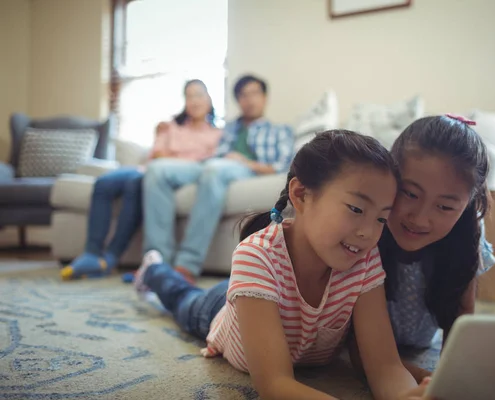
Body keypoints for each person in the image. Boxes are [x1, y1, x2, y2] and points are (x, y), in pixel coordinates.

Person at [133, 130, 434, 400]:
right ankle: (154, 269)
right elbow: (275, 384)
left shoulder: (364, 257)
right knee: (181, 297)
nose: (368, 232)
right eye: (356, 209)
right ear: (301, 195)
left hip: (261, 290)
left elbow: (384, 365)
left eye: (381, 217)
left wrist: (407, 395)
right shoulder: (255, 256)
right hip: (217, 311)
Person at [348, 114, 495, 383]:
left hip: (417, 342)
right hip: (365, 346)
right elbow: (361, 354)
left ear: (465, 207)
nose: (419, 218)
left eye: (445, 207)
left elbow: (461, 321)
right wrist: (427, 378)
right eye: (410, 194)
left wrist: (451, 378)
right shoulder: (366, 230)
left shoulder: (467, 236)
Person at [60, 79, 221, 280]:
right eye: (189, 96)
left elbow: (205, 164)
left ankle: (110, 258)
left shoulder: (218, 135)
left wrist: (170, 159)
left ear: (209, 99)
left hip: (168, 173)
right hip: (148, 169)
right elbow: (156, 154)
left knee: (134, 186)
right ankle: (92, 253)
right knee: (103, 183)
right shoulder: (171, 126)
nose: (194, 101)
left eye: (199, 95)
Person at [142, 74, 294, 283]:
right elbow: (206, 151)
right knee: (157, 170)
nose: (249, 99)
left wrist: (245, 162)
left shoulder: (280, 131)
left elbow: (283, 166)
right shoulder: (228, 128)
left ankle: (187, 264)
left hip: (243, 169)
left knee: (214, 170)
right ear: (238, 100)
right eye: (243, 95)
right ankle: (156, 262)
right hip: (211, 164)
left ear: (265, 97)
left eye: (255, 93)